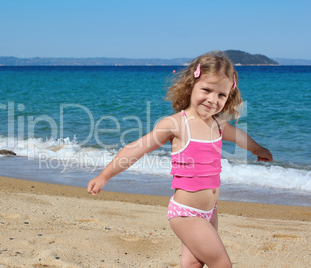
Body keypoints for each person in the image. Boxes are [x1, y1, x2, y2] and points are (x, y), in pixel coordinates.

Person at [87, 51, 273, 268]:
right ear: (191, 86)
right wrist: (104, 176)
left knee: (193, 264)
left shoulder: (218, 125)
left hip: (210, 211)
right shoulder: (176, 124)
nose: (213, 99)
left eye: (221, 95)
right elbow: (135, 149)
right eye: (206, 90)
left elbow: (241, 137)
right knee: (222, 264)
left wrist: (259, 150)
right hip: (186, 214)